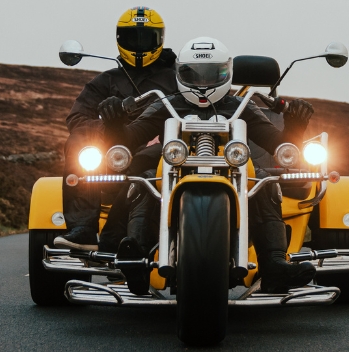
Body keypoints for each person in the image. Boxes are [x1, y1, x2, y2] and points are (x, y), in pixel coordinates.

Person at [111, 36, 317, 295]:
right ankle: (138, 261)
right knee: (146, 180)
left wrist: (295, 125)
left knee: (264, 181)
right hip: (174, 171)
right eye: (193, 74)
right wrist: (115, 122)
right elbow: (130, 138)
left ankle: (274, 264)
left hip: (235, 172)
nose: (203, 83)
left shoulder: (241, 105)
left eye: (213, 74)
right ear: (179, 73)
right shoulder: (166, 103)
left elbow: (279, 145)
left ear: (227, 72)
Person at [54, 6, 178, 252]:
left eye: (147, 39)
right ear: (121, 40)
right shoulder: (106, 81)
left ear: (160, 40)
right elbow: (76, 118)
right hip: (111, 160)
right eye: (133, 38)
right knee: (79, 141)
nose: (140, 45)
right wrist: (110, 124)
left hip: (164, 157)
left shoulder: (177, 79)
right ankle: (84, 228)